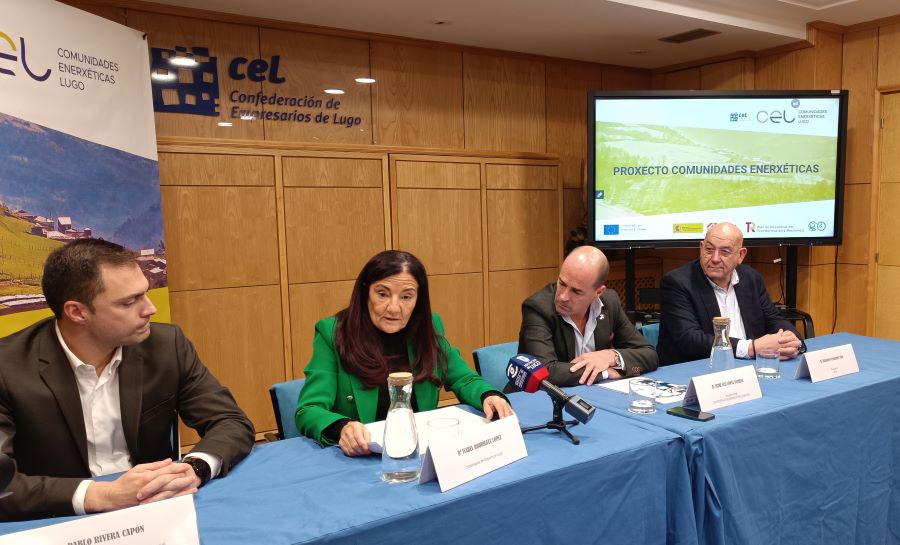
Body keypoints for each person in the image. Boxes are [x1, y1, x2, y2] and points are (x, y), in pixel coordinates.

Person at [0, 239, 254, 521]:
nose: (149, 309)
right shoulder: (7, 368)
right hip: (59, 519)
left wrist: (195, 468)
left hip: (156, 511)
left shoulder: (166, 345)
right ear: (77, 312)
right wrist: (102, 495)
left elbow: (230, 421)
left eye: (145, 294)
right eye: (129, 302)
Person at [295, 250, 513, 456]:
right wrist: (342, 427)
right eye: (382, 294)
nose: (394, 308)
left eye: (406, 297)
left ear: (418, 300)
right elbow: (309, 409)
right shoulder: (334, 333)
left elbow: (464, 379)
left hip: (421, 454)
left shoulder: (428, 327)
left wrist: (488, 395)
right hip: (360, 457)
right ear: (365, 292)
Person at [657, 222, 806, 365]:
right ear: (701, 248)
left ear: (741, 255)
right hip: (697, 369)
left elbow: (773, 318)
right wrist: (751, 348)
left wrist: (791, 339)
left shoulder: (751, 278)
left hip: (748, 366)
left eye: (725, 252)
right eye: (709, 249)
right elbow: (690, 339)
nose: (715, 258)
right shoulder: (677, 283)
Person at [517, 245, 658, 387]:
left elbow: (649, 355)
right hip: (539, 396)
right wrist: (605, 372)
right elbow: (545, 373)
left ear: (598, 292)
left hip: (593, 393)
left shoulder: (609, 303)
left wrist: (610, 356)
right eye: (562, 283)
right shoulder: (537, 308)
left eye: (576, 292)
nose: (563, 297)